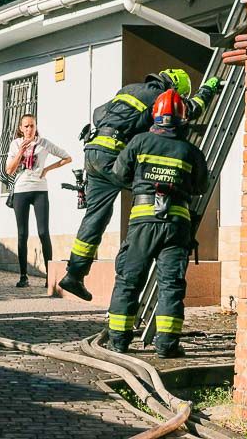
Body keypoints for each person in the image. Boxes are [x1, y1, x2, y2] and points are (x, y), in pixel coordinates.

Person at [57, 68, 221, 302]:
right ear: (174, 89)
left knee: (96, 215)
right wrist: (208, 89)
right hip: (113, 155)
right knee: (153, 186)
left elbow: (98, 113)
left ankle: (74, 274)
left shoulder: (128, 90)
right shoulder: (159, 98)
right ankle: (135, 254)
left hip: (93, 153)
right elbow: (191, 110)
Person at [105, 89, 209, 358]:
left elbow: (118, 174)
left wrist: (142, 182)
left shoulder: (139, 142)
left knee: (129, 279)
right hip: (177, 225)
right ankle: (166, 345)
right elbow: (201, 187)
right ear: (182, 119)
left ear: (155, 116)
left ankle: (118, 341)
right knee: (171, 285)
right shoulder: (191, 151)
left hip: (143, 223)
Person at [0, 113, 72, 288]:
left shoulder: (43, 143)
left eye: (32, 125)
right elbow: (9, 170)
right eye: (26, 126)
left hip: (40, 190)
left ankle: (49, 277)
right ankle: (23, 276)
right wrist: (21, 152)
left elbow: (67, 158)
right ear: (21, 128)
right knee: (22, 234)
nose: (30, 129)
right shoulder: (15, 144)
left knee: (43, 232)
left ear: (36, 126)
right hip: (21, 191)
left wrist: (47, 169)